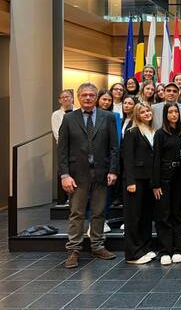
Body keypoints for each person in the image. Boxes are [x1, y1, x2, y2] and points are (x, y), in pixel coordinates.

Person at [58, 83, 119, 268]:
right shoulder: (69, 119)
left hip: (101, 173)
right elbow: (62, 150)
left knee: (99, 212)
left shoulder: (107, 117)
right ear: (78, 97)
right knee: (76, 213)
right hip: (77, 175)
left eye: (91, 95)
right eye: (84, 95)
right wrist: (64, 175)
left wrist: (113, 170)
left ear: (96, 97)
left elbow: (114, 147)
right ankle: (74, 250)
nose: (88, 98)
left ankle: (97, 245)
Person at [122, 103, 156, 264]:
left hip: (149, 181)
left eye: (148, 110)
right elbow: (127, 159)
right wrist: (130, 181)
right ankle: (132, 253)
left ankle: (144, 247)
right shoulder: (132, 132)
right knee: (133, 217)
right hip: (135, 180)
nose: (147, 113)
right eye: (142, 112)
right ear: (137, 115)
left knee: (146, 216)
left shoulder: (153, 131)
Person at [152, 103, 181, 265]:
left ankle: (177, 249)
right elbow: (156, 159)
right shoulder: (160, 134)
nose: (174, 115)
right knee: (163, 215)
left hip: (180, 177)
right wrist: (156, 183)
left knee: (177, 214)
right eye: (170, 112)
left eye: (176, 112)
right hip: (164, 177)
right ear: (165, 115)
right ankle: (165, 250)